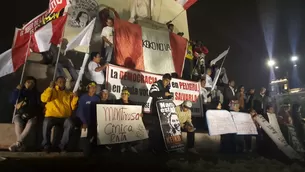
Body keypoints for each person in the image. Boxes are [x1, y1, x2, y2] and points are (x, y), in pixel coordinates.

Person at [40, 76, 79, 153]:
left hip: (64, 117)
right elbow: (44, 99)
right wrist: (50, 88)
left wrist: (75, 97)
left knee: (70, 124)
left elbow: (73, 107)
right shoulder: (51, 90)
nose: (62, 83)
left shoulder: (69, 93)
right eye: (60, 81)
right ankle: (46, 146)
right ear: (56, 83)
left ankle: (62, 146)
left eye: (64, 82)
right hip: (51, 116)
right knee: (46, 122)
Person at [9, 76, 41, 152]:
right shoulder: (20, 91)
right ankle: (20, 145)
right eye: (28, 82)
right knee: (17, 122)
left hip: (31, 114)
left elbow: (38, 105)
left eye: (32, 83)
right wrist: (17, 90)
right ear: (25, 83)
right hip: (20, 113)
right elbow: (13, 101)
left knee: (30, 123)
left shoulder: (36, 93)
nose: (30, 84)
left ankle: (18, 143)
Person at [148, 73, 173, 153]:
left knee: (164, 130)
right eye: (166, 80)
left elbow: (167, 97)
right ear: (163, 79)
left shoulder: (167, 87)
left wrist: (170, 96)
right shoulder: (156, 84)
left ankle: (162, 147)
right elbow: (151, 93)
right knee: (156, 131)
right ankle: (153, 147)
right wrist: (163, 94)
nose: (167, 83)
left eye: (168, 81)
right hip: (156, 112)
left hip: (164, 113)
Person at [76, 82, 100, 157]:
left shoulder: (97, 98)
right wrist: (84, 122)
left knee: (92, 138)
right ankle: (82, 153)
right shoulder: (83, 97)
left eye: (94, 87)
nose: (93, 89)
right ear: (88, 88)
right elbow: (80, 111)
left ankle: (90, 154)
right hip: (84, 122)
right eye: (91, 87)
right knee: (84, 137)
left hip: (93, 122)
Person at [115, 88, 142, 153]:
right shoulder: (117, 102)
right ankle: (123, 147)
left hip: (129, 124)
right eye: (123, 94)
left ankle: (130, 146)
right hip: (120, 124)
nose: (124, 95)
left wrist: (140, 114)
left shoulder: (133, 104)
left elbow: (137, 113)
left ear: (128, 95)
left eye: (126, 94)